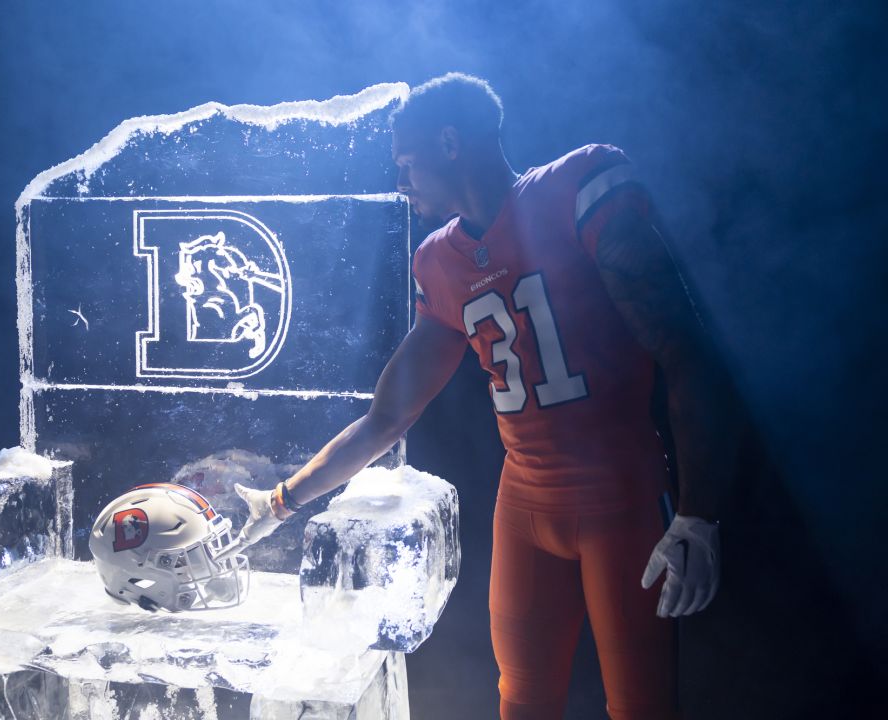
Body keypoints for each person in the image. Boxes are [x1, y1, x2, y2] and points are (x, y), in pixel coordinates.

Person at [229, 73, 741, 720]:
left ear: (450, 143)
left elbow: (686, 351)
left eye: (408, 164)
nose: (401, 183)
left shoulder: (576, 189)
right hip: (523, 504)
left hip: (622, 498)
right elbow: (389, 415)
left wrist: (700, 511)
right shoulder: (440, 262)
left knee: (641, 708)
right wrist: (280, 501)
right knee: (521, 702)